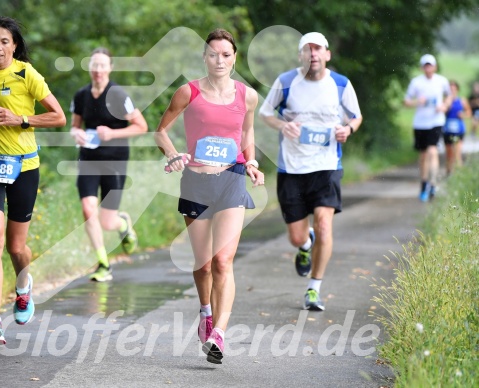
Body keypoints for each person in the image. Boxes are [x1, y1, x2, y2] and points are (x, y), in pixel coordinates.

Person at [155, 28, 263, 364]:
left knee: (222, 261)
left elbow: (246, 133)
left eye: (226, 55)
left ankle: (219, 333)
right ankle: (206, 312)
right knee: (202, 265)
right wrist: (173, 154)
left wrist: (252, 162)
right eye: (213, 54)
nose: (219, 60)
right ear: (205, 57)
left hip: (231, 180)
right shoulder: (188, 92)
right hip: (196, 183)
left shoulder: (247, 96)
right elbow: (161, 132)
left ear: (234, 58)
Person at [0, 16, 66, 346]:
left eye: (5, 41)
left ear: (15, 45)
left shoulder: (25, 73)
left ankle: (23, 287)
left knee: (16, 247)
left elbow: (58, 116)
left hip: (24, 167)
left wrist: (20, 119)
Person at [259, 32, 362, 311]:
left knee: (325, 224)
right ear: (300, 55)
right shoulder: (286, 82)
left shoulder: (340, 85)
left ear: (327, 54)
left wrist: (347, 130)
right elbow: (265, 113)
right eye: (308, 50)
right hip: (291, 168)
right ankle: (306, 246)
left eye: (318, 49)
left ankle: (314, 289)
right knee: (296, 236)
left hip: (326, 167)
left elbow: (356, 115)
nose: (313, 54)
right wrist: (282, 125)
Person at [69, 47, 148, 282]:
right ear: (89, 68)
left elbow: (141, 126)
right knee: (87, 210)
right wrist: (77, 134)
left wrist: (111, 134)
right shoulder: (81, 96)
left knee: (107, 221)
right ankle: (103, 264)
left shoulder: (118, 95)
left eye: (102, 65)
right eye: (94, 65)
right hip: (89, 159)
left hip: (114, 160)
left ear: (110, 68)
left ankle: (122, 223)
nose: (98, 70)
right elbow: (75, 126)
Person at [404, 54, 451, 202]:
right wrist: (417, 101)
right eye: (425, 65)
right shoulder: (416, 83)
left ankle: (433, 183)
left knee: (433, 150)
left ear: (435, 67)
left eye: (430, 65)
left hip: (436, 121)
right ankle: (424, 183)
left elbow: (449, 96)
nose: (428, 68)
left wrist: (444, 106)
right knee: (423, 155)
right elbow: (406, 101)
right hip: (420, 123)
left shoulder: (441, 81)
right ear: (422, 67)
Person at [443, 80, 471, 176]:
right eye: (450, 89)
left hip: (459, 129)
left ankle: (460, 174)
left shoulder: (462, 100)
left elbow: (469, 112)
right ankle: (449, 172)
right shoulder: (446, 100)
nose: (452, 91)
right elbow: (442, 112)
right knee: (449, 153)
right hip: (447, 129)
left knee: (457, 152)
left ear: (457, 90)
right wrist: (448, 103)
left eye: (454, 89)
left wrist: (463, 114)